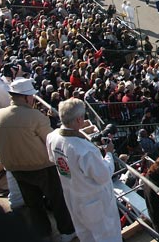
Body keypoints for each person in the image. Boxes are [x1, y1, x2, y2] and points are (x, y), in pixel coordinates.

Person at [0, 78, 76, 241]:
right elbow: (49, 142)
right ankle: (67, 231)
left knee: (33, 204)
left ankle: (43, 233)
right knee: (57, 200)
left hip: (15, 169)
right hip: (42, 167)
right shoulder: (35, 116)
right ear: (27, 97)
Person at [46, 98, 121, 242]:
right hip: (94, 201)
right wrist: (109, 154)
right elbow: (103, 175)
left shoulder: (52, 136)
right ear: (79, 119)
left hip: (73, 196)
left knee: (85, 235)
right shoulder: (85, 150)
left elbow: (53, 159)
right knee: (107, 236)